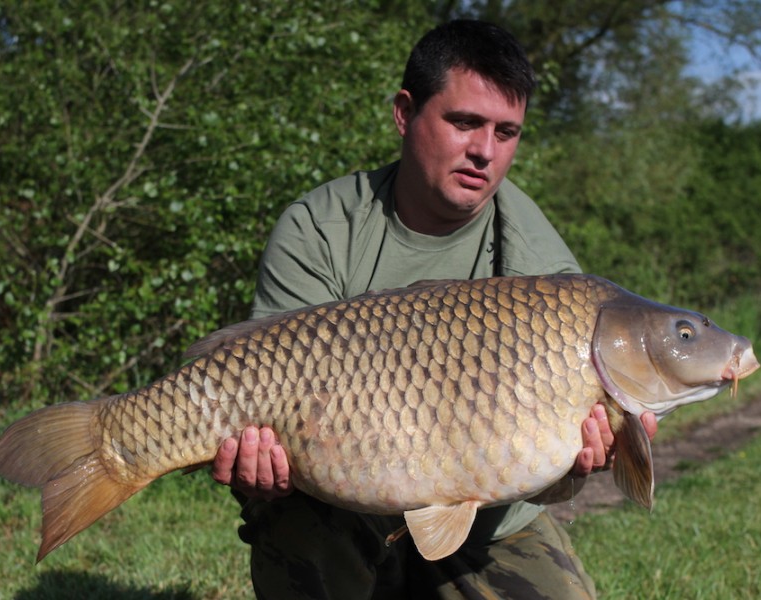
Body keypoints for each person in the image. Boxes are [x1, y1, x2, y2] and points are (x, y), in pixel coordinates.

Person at [210, 19, 658, 599]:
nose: (484, 151)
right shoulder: (320, 229)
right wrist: (259, 470)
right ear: (404, 113)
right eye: (465, 122)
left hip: (487, 519)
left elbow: (540, 473)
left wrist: (579, 464)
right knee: (296, 522)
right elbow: (265, 385)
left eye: (507, 132)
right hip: (336, 503)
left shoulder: (544, 267)